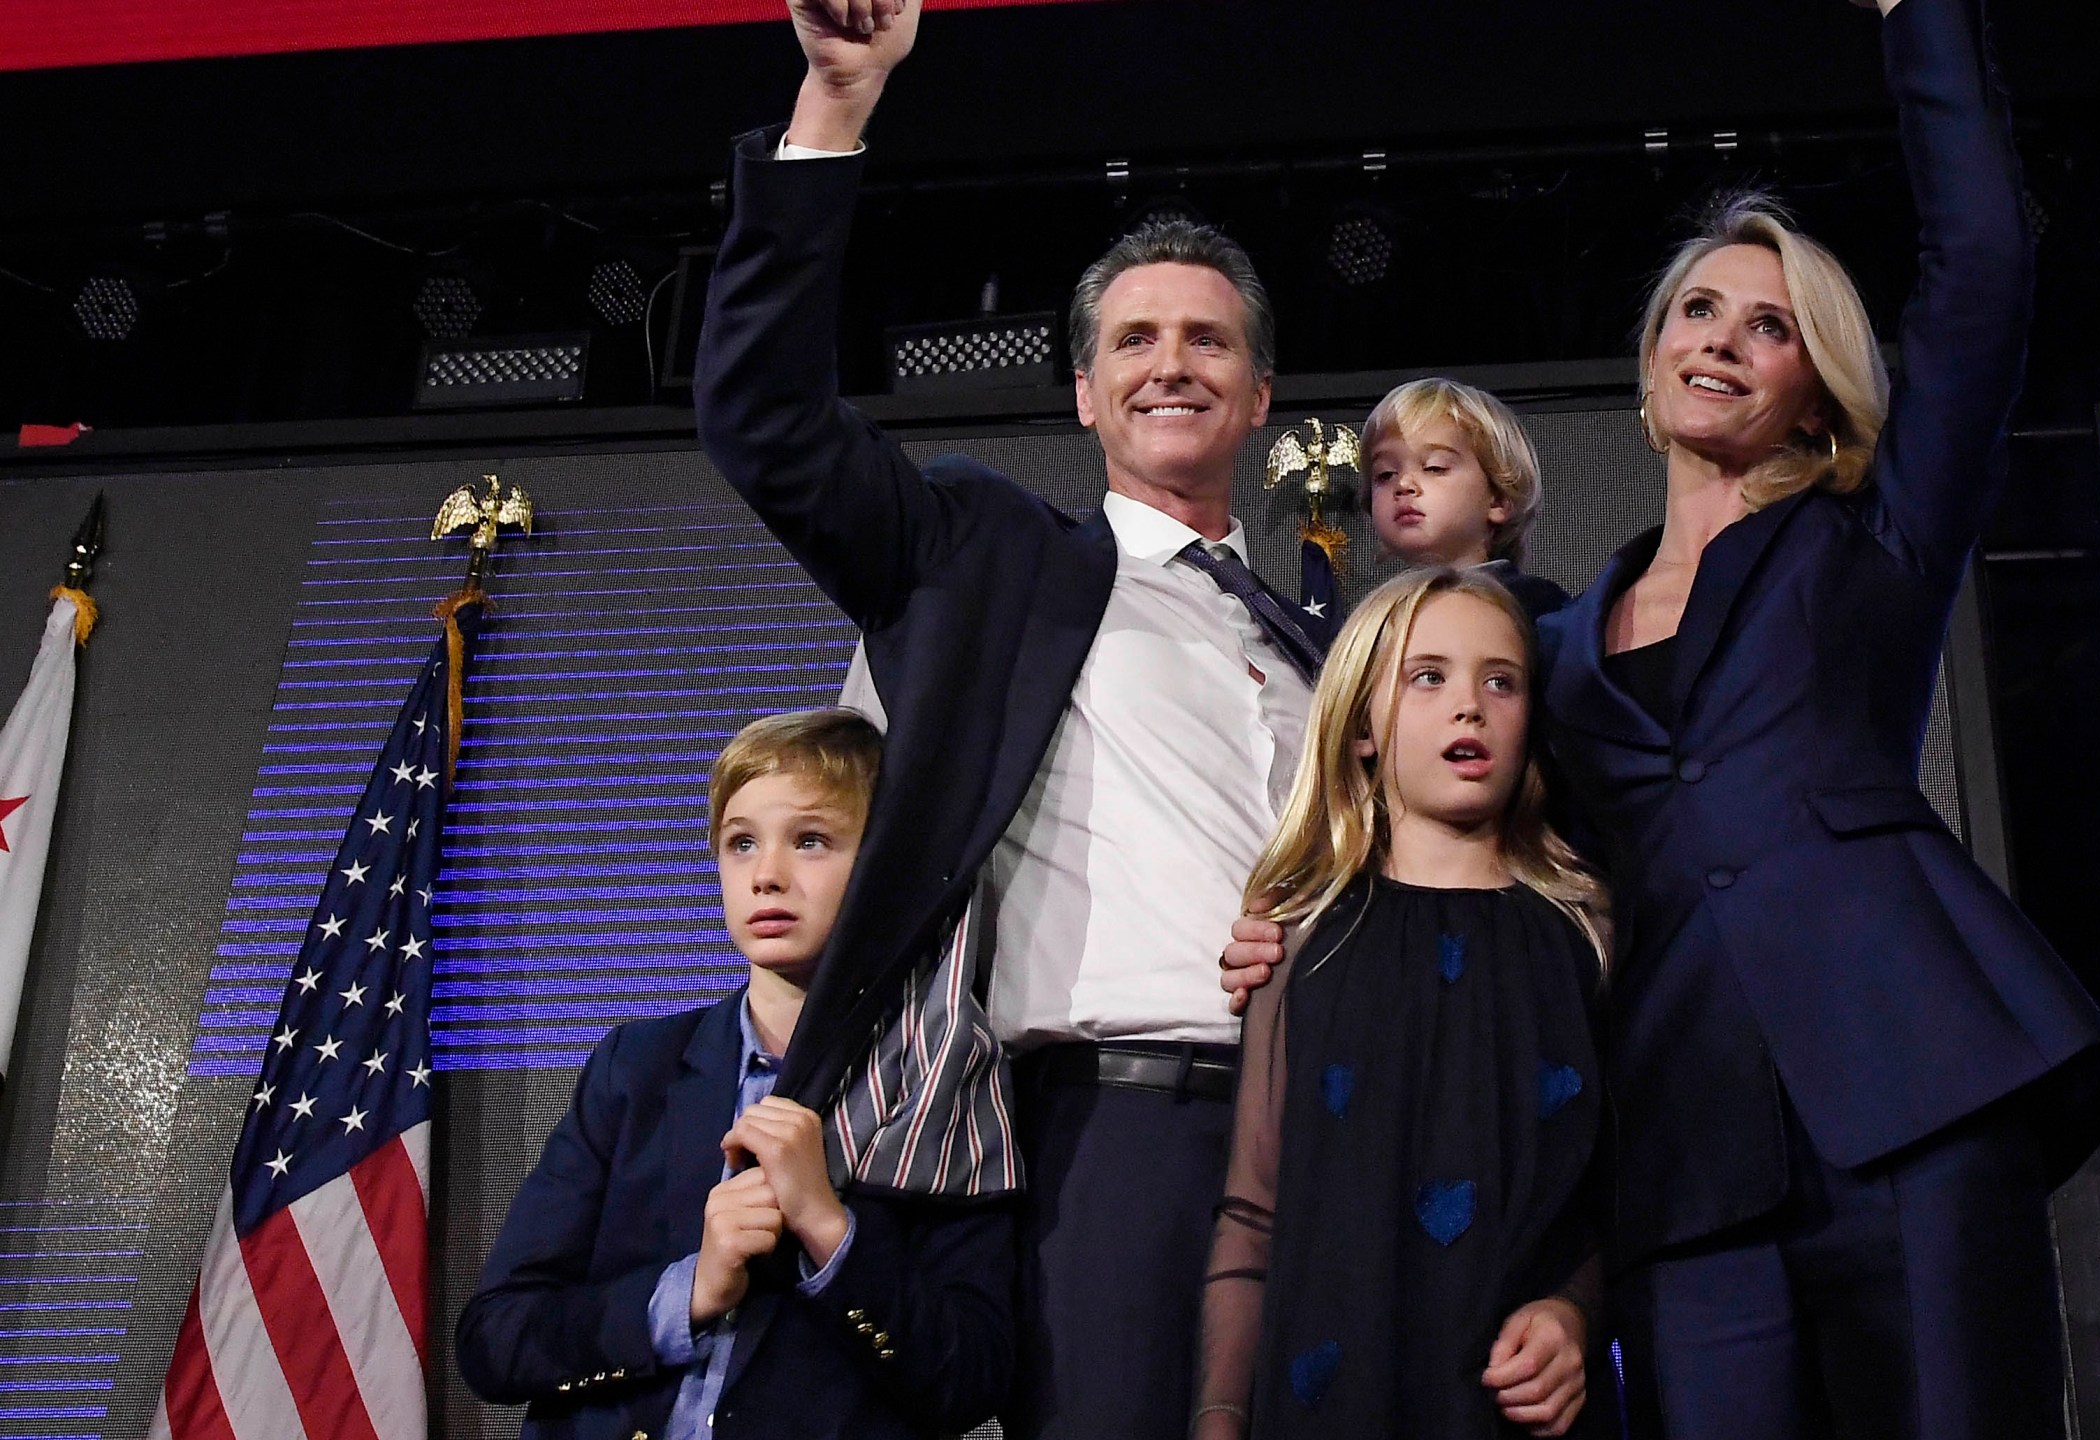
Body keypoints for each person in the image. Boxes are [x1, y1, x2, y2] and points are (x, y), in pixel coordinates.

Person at [1230, 0, 2100, 1434]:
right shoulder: (1554, 646)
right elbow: (1461, 841)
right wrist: (1300, 916)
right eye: (1698, 311)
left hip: (1915, 1104)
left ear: (1816, 390)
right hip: (1684, 1156)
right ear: (1651, 364)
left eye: (1771, 326)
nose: (1724, 339)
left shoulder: (1873, 543)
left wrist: (1923, 25)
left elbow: (1983, 274)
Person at [693, 4, 1331, 1437]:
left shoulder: (1326, 642)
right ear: (1089, 391)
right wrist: (834, 106)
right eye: (1136, 340)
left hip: (1340, 1121)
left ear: (1261, 395)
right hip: (1119, 1138)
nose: (1174, 361)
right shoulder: (987, 560)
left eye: (1209, 340)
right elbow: (765, 421)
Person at [455, 710, 1013, 1440]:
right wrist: (687, 1293)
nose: (768, 875)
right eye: (741, 843)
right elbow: (495, 1339)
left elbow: (971, 1378)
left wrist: (829, 1229)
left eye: (810, 841)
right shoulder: (637, 1068)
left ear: (885, 868)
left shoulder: (944, 1080)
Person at [1194, 568, 1605, 1440]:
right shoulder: (1303, 942)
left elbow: (1621, 1184)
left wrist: (1575, 1311)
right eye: (1429, 676)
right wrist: (1220, 1419)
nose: (1471, 706)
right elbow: (1253, 1214)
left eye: (1502, 680)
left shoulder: (1585, 933)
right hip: (1334, 1398)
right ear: (1362, 728)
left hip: (1514, 1406)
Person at [1362, 378, 1573, 618]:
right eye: (1385, 474)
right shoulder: (1379, 619)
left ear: (1499, 499)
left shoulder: (1536, 612)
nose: (1403, 484)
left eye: (1434, 467)